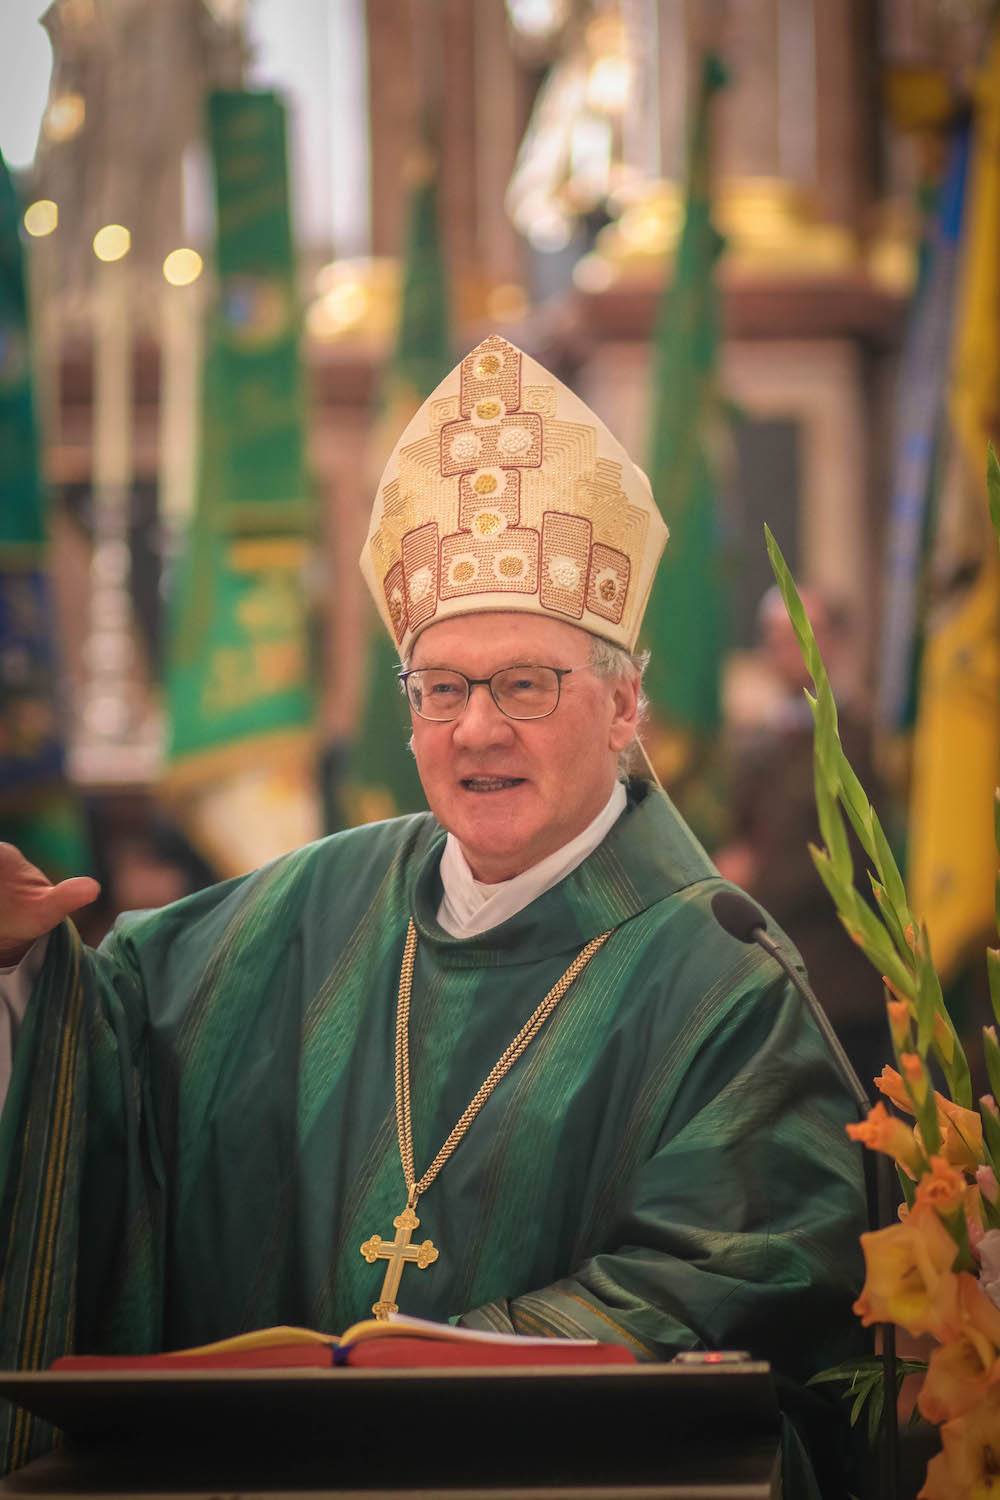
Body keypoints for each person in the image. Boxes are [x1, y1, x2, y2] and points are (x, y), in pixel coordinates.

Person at [0, 336, 865, 1492]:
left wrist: (416, 1377)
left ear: (622, 706)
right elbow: (101, 1064)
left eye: (524, 683)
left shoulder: (723, 979)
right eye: (442, 689)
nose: (476, 731)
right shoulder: (304, 911)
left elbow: (738, 1279)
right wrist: (17, 975)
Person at [716, 586, 889, 1094]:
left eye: (796, 635)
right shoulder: (760, 743)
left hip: (839, 988)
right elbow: (740, 833)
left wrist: (755, 874)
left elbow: (852, 861)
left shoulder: (856, 740)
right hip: (774, 982)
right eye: (772, 637)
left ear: (832, 642)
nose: (781, 649)